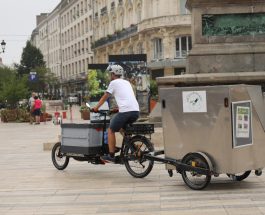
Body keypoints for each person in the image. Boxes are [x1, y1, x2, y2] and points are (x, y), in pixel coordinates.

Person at [92, 64, 140, 163]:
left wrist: (96, 108)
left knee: (111, 130)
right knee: (123, 129)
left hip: (126, 112)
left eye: (110, 74)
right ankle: (135, 149)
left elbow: (104, 97)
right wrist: (118, 109)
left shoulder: (113, 83)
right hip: (135, 112)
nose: (110, 76)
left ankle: (111, 155)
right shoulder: (127, 82)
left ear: (113, 74)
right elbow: (127, 99)